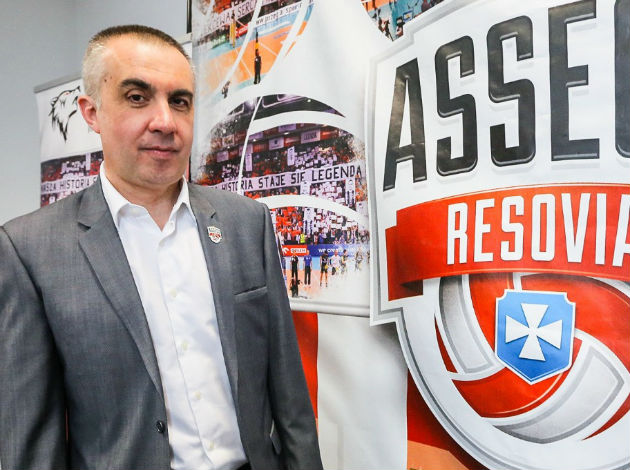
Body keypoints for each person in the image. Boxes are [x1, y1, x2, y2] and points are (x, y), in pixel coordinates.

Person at [0, 25, 321, 470]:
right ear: (91, 113)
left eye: (180, 101)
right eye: (137, 97)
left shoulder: (246, 223)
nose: (165, 122)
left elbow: (290, 400)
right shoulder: (30, 250)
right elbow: (31, 439)